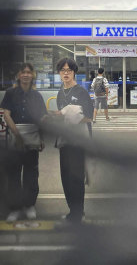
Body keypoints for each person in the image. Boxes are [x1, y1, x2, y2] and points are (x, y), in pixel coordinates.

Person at [0, 63, 48, 222]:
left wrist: (41, 137)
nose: (26, 75)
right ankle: (14, 208)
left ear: (33, 75)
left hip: (33, 138)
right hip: (15, 137)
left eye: (29, 72)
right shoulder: (10, 93)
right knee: (13, 174)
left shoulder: (37, 96)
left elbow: (41, 117)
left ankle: (29, 205)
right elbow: (6, 115)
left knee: (31, 174)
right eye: (23, 72)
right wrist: (17, 135)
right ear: (18, 75)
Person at [53, 58, 94, 224]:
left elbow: (90, 117)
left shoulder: (81, 92)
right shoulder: (60, 93)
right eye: (62, 70)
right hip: (65, 141)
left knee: (76, 178)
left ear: (74, 72)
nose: (66, 73)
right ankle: (72, 211)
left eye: (69, 70)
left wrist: (72, 118)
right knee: (66, 178)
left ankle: (79, 213)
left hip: (78, 141)